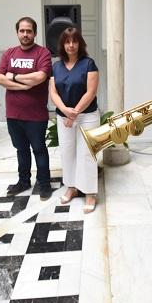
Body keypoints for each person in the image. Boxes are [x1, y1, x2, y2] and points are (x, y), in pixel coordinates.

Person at [0, 17, 53, 200]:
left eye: (29, 31)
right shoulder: (9, 53)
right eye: (22, 31)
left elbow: (40, 77)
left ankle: (44, 184)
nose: (25, 34)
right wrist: (23, 84)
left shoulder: (43, 53)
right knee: (21, 150)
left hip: (36, 115)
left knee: (39, 149)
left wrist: (12, 77)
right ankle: (24, 181)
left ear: (34, 33)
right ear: (17, 32)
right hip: (13, 114)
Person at [49, 27, 100, 213]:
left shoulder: (89, 64)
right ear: (63, 44)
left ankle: (90, 193)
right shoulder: (56, 66)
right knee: (67, 153)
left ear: (80, 43)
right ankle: (71, 187)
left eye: (74, 41)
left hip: (87, 117)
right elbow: (53, 92)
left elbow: (91, 92)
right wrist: (64, 110)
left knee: (87, 155)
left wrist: (75, 113)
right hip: (65, 118)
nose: (71, 45)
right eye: (67, 41)